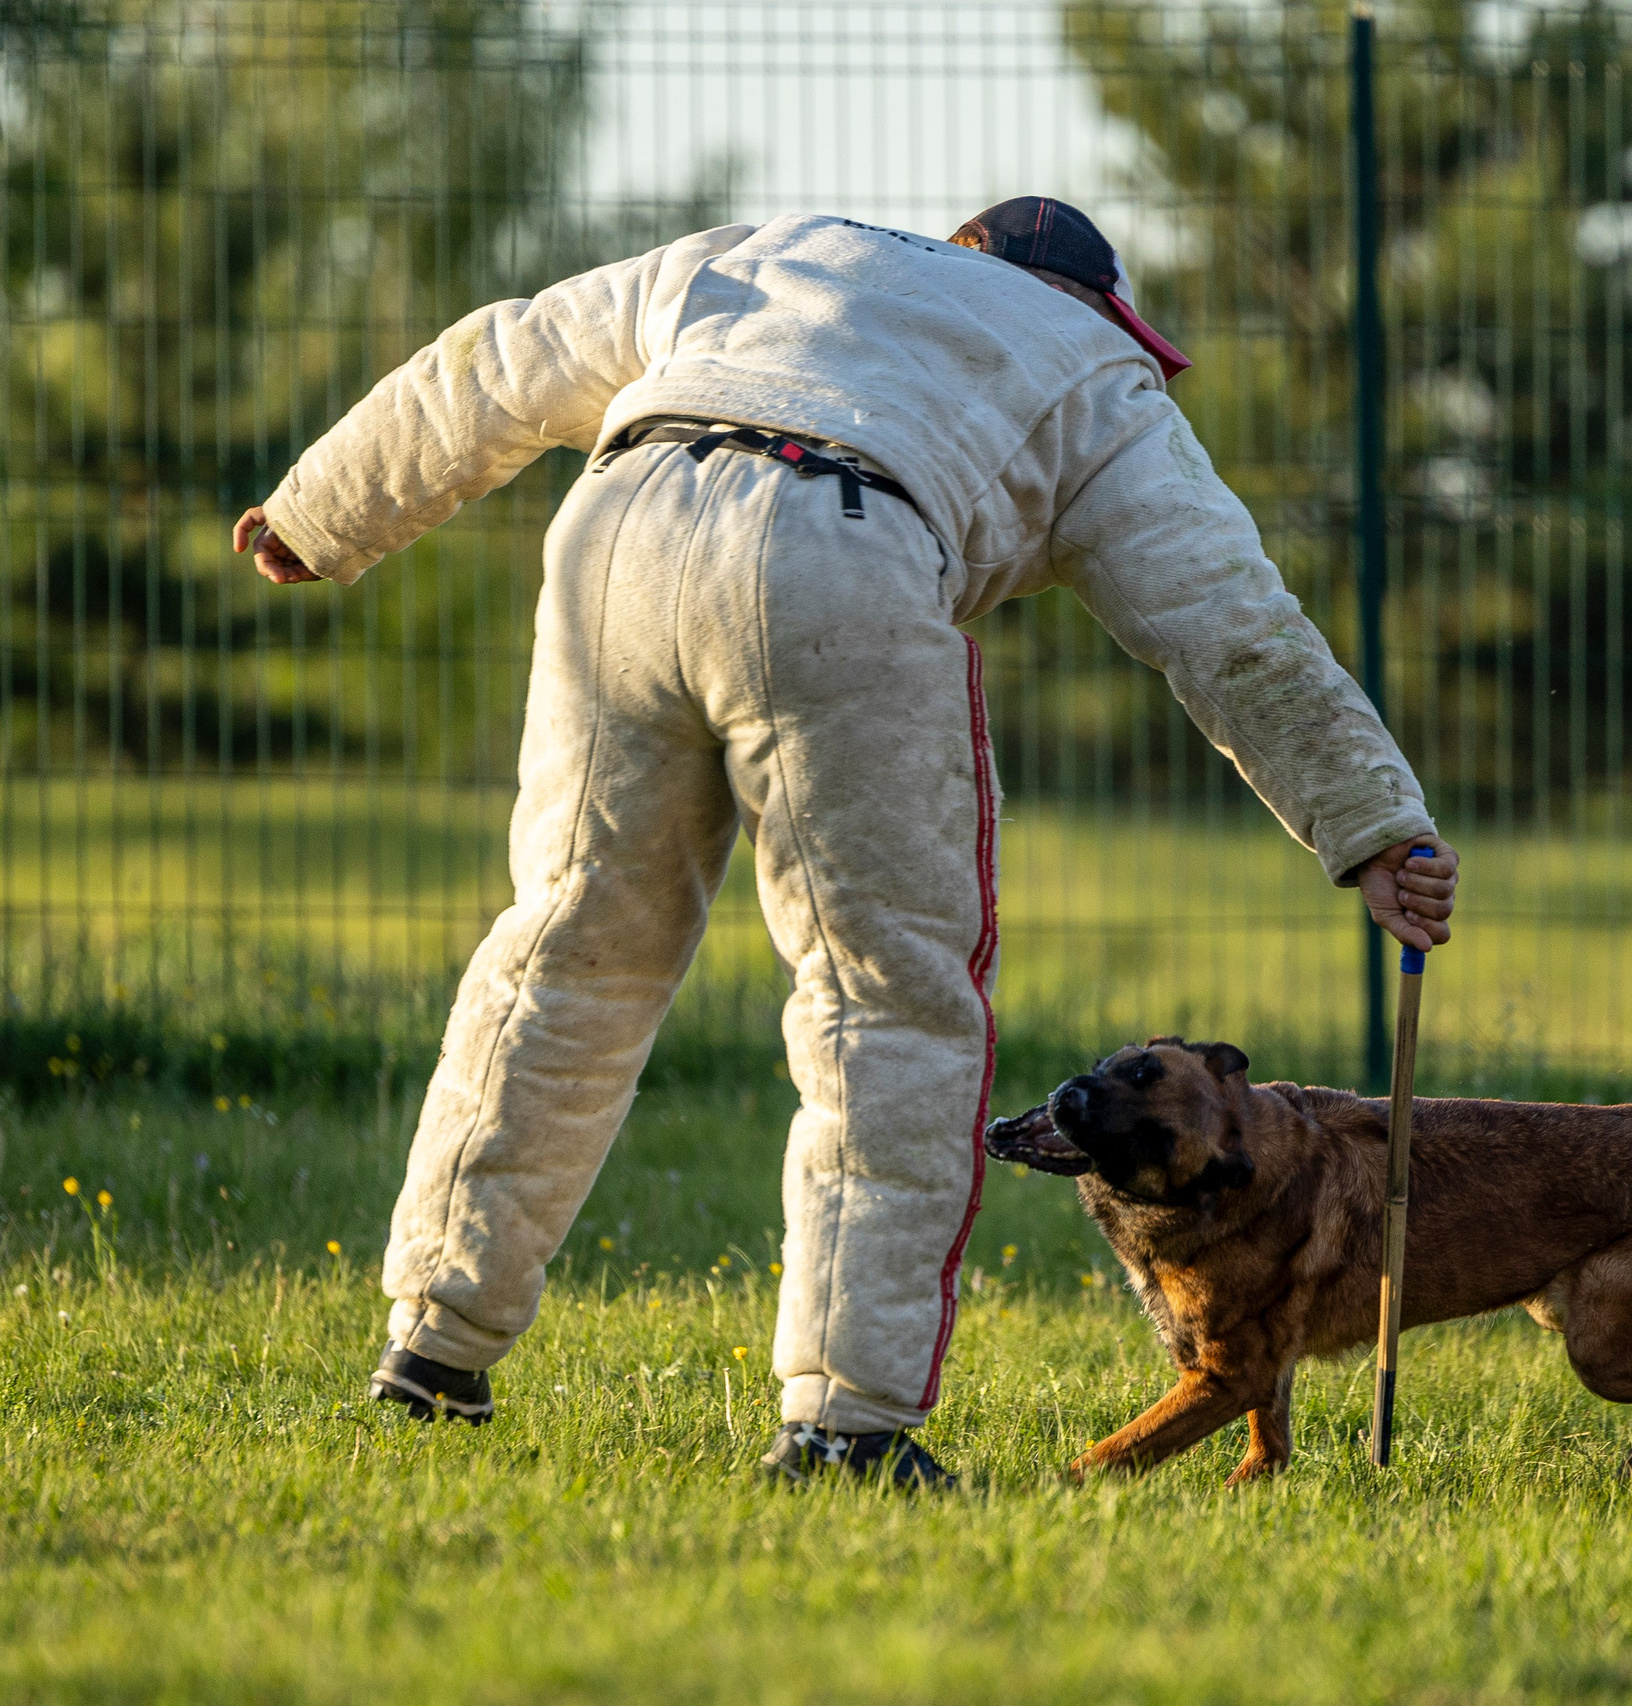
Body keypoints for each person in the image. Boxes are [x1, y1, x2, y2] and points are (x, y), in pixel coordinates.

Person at [233, 197, 1458, 1489]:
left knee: (569, 946)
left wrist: (323, 509)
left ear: (952, 251)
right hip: (845, 542)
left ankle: (433, 1344)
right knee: (885, 998)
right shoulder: (1092, 362)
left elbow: (507, 354)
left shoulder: (780, 245)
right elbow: (1228, 616)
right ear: (1100, 300)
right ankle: (845, 1420)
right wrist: (1371, 823)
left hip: (621, 518)